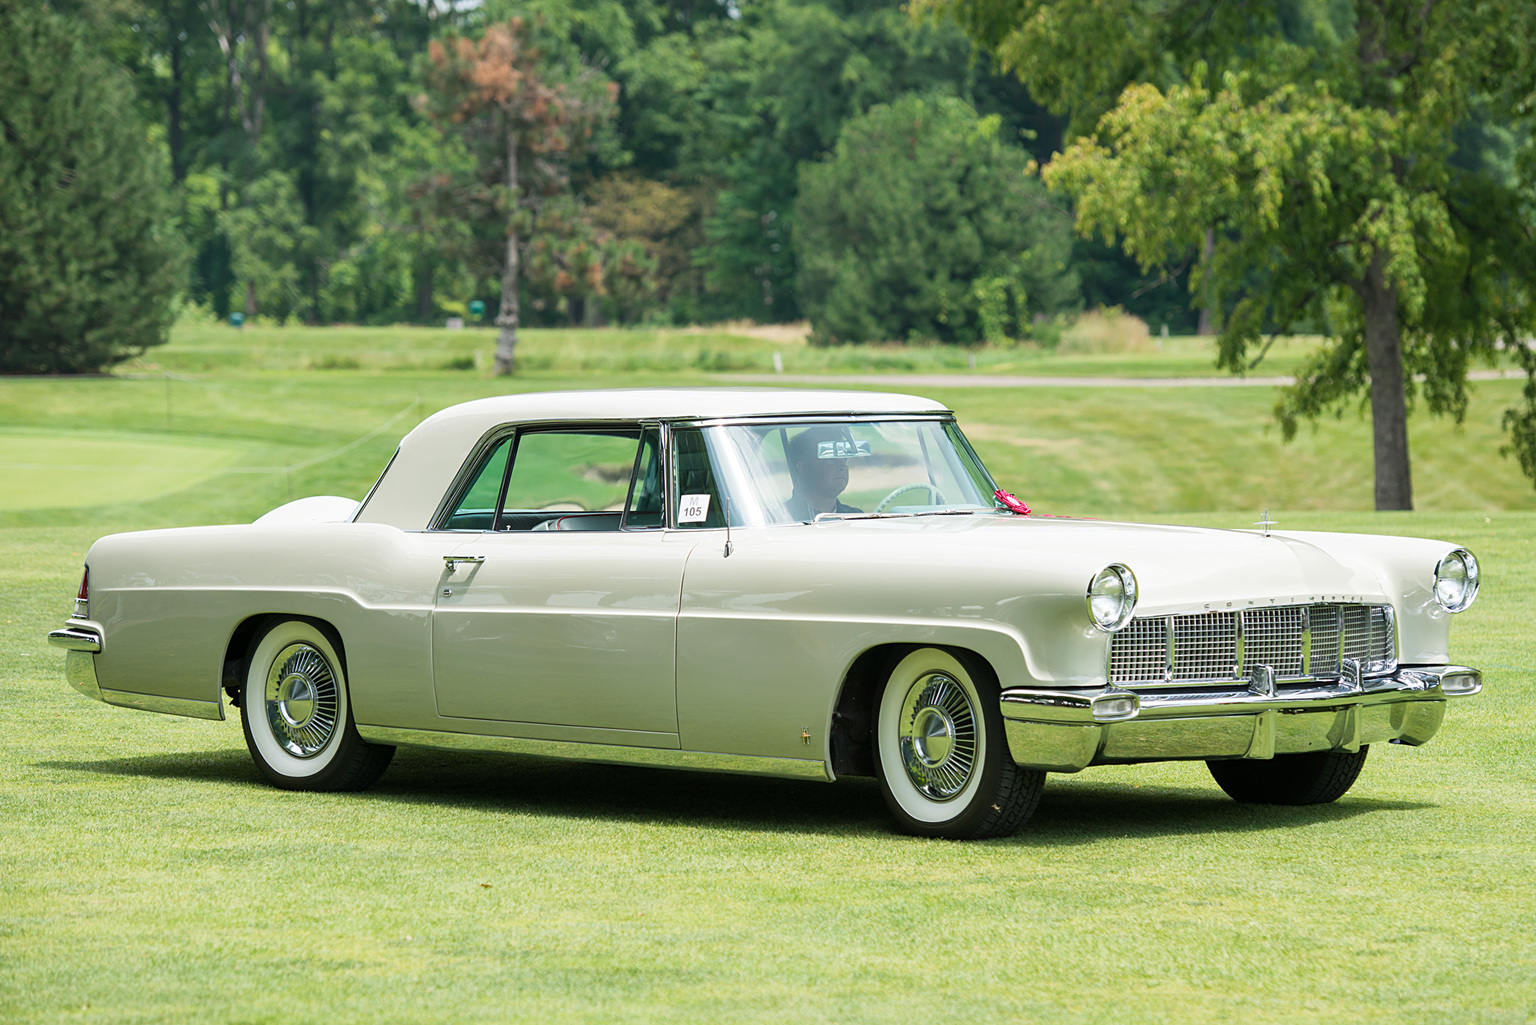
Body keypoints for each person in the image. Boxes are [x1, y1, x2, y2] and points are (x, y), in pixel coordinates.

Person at [784, 425, 864, 520]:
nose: (842, 466)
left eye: (844, 458)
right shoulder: (781, 518)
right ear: (803, 468)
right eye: (830, 458)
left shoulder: (856, 517)